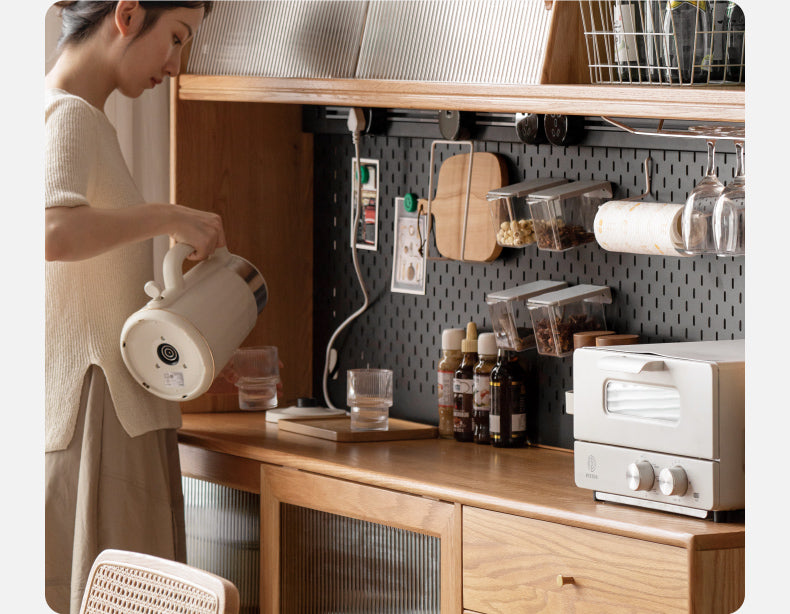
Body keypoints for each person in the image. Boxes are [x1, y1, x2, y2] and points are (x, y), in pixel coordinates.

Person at [44, 3, 219, 613]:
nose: (174, 65)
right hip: (98, 415)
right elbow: (53, 233)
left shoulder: (83, 117)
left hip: (110, 408)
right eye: (175, 38)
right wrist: (168, 216)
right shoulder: (68, 114)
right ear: (127, 13)